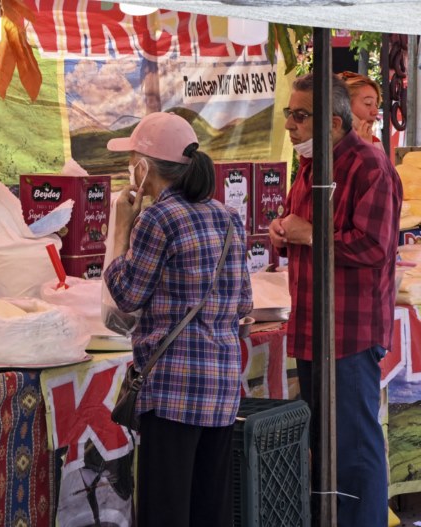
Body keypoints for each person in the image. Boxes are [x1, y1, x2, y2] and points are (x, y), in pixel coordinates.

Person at [103, 112, 252, 527]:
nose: (129, 167)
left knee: (164, 511)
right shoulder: (227, 218)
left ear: (145, 167)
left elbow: (127, 294)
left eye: (131, 158)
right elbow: (244, 305)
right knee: (210, 509)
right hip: (221, 390)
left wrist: (120, 230)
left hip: (172, 392)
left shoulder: (157, 218)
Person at [269, 73, 402, 526]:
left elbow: (373, 246)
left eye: (300, 115)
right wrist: (284, 232)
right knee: (323, 447)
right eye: (289, 113)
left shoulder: (370, 166)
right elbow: (301, 230)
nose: (290, 124)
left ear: (333, 121)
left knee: (354, 449)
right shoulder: (310, 165)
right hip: (310, 326)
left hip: (349, 331)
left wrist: (309, 234)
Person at [339, 70, 383, 147]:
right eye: (368, 103)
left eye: (376, 105)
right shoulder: (328, 146)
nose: (375, 112)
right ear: (345, 106)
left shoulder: (375, 142)